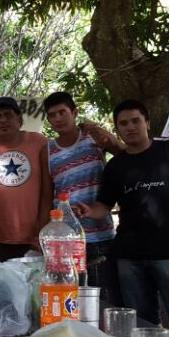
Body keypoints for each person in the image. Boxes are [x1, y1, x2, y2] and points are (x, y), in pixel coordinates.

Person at [75, 99, 169, 337]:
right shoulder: (115, 166)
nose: (130, 127)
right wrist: (88, 210)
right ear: (117, 128)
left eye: (135, 121)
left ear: (147, 123)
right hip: (129, 258)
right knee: (142, 325)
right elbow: (103, 205)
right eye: (123, 123)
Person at [43, 91, 120, 304]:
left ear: (75, 113)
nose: (58, 118)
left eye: (62, 112)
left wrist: (100, 132)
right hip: (65, 238)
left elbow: (123, 153)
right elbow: (46, 195)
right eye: (52, 115)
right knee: (69, 299)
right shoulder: (47, 150)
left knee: (103, 301)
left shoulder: (93, 138)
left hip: (100, 235)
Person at [0, 97, 51, 264]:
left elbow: (50, 189)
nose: (3, 120)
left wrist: (42, 232)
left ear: (19, 119)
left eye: (8, 115)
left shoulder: (40, 142)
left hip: (34, 240)